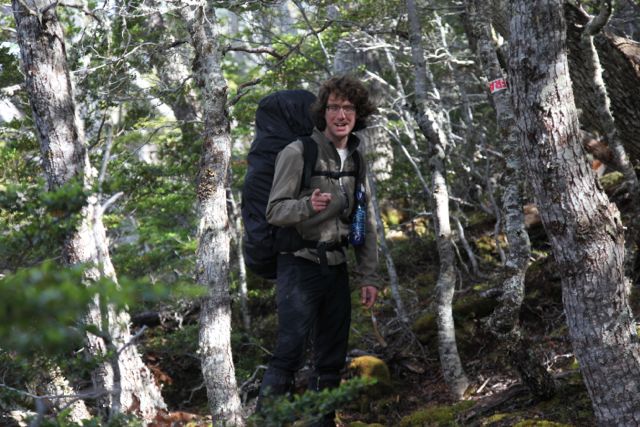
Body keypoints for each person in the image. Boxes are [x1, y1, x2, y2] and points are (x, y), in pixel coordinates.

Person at [256, 75, 380, 426]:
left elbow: (364, 219)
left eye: (349, 108)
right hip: (300, 265)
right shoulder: (299, 152)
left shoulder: (356, 158)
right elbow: (274, 210)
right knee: (289, 353)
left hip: (336, 267)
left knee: (331, 359)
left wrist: (369, 276)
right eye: (334, 107)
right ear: (322, 112)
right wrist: (307, 206)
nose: (341, 115)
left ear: (358, 113)